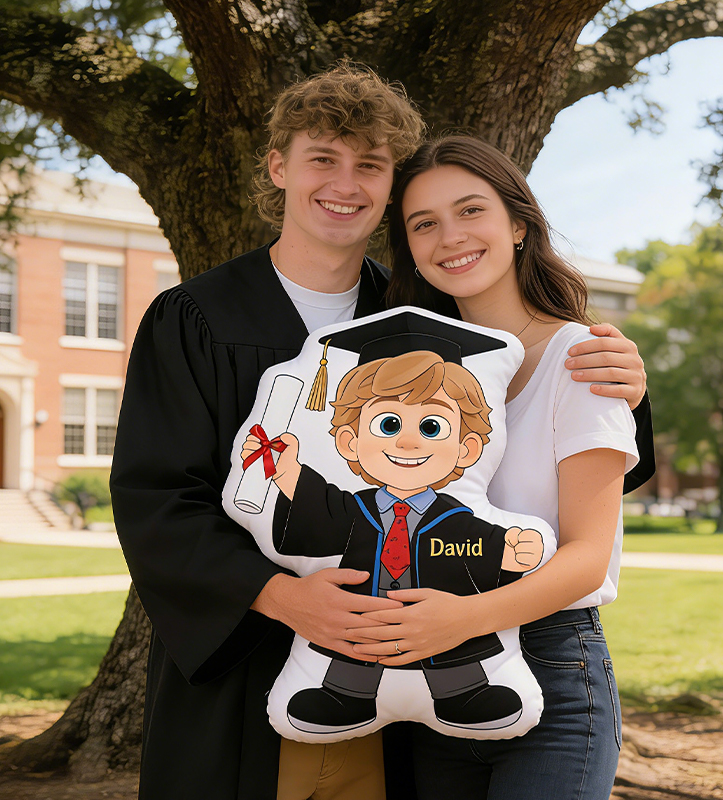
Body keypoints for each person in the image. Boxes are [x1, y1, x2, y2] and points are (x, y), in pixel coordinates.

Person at [110, 62, 651, 799]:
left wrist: (626, 387)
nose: (344, 183)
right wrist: (277, 594)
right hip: (245, 662)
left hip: (410, 671)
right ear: (279, 168)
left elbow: (533, 452)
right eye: (321, 159)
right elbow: (156, 499)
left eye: (369, 165)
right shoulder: (197, 318)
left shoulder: (414, 319)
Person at [345, 134, 646, 800]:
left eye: (470, 210)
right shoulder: (417, 385)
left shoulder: (583, 358)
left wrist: (457, 620)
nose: (449, 236)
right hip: (432, 674)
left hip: (551, 669)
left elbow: (586, 558)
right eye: (424, 224)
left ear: (517, 224)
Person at [242, 331, 545, 735]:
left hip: (440, 625)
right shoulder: (356, 511)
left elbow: (477, 540)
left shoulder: (452, 516)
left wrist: (509, 551)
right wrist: (288, 473)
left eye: (432, 426)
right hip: (363, 617)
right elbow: (322, 511)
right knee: (354, 652)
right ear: (350, 441)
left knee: (453, 654)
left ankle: (464, 693)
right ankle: (344, 695)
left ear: (467, 449)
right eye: (388, 423)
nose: (406, 441)